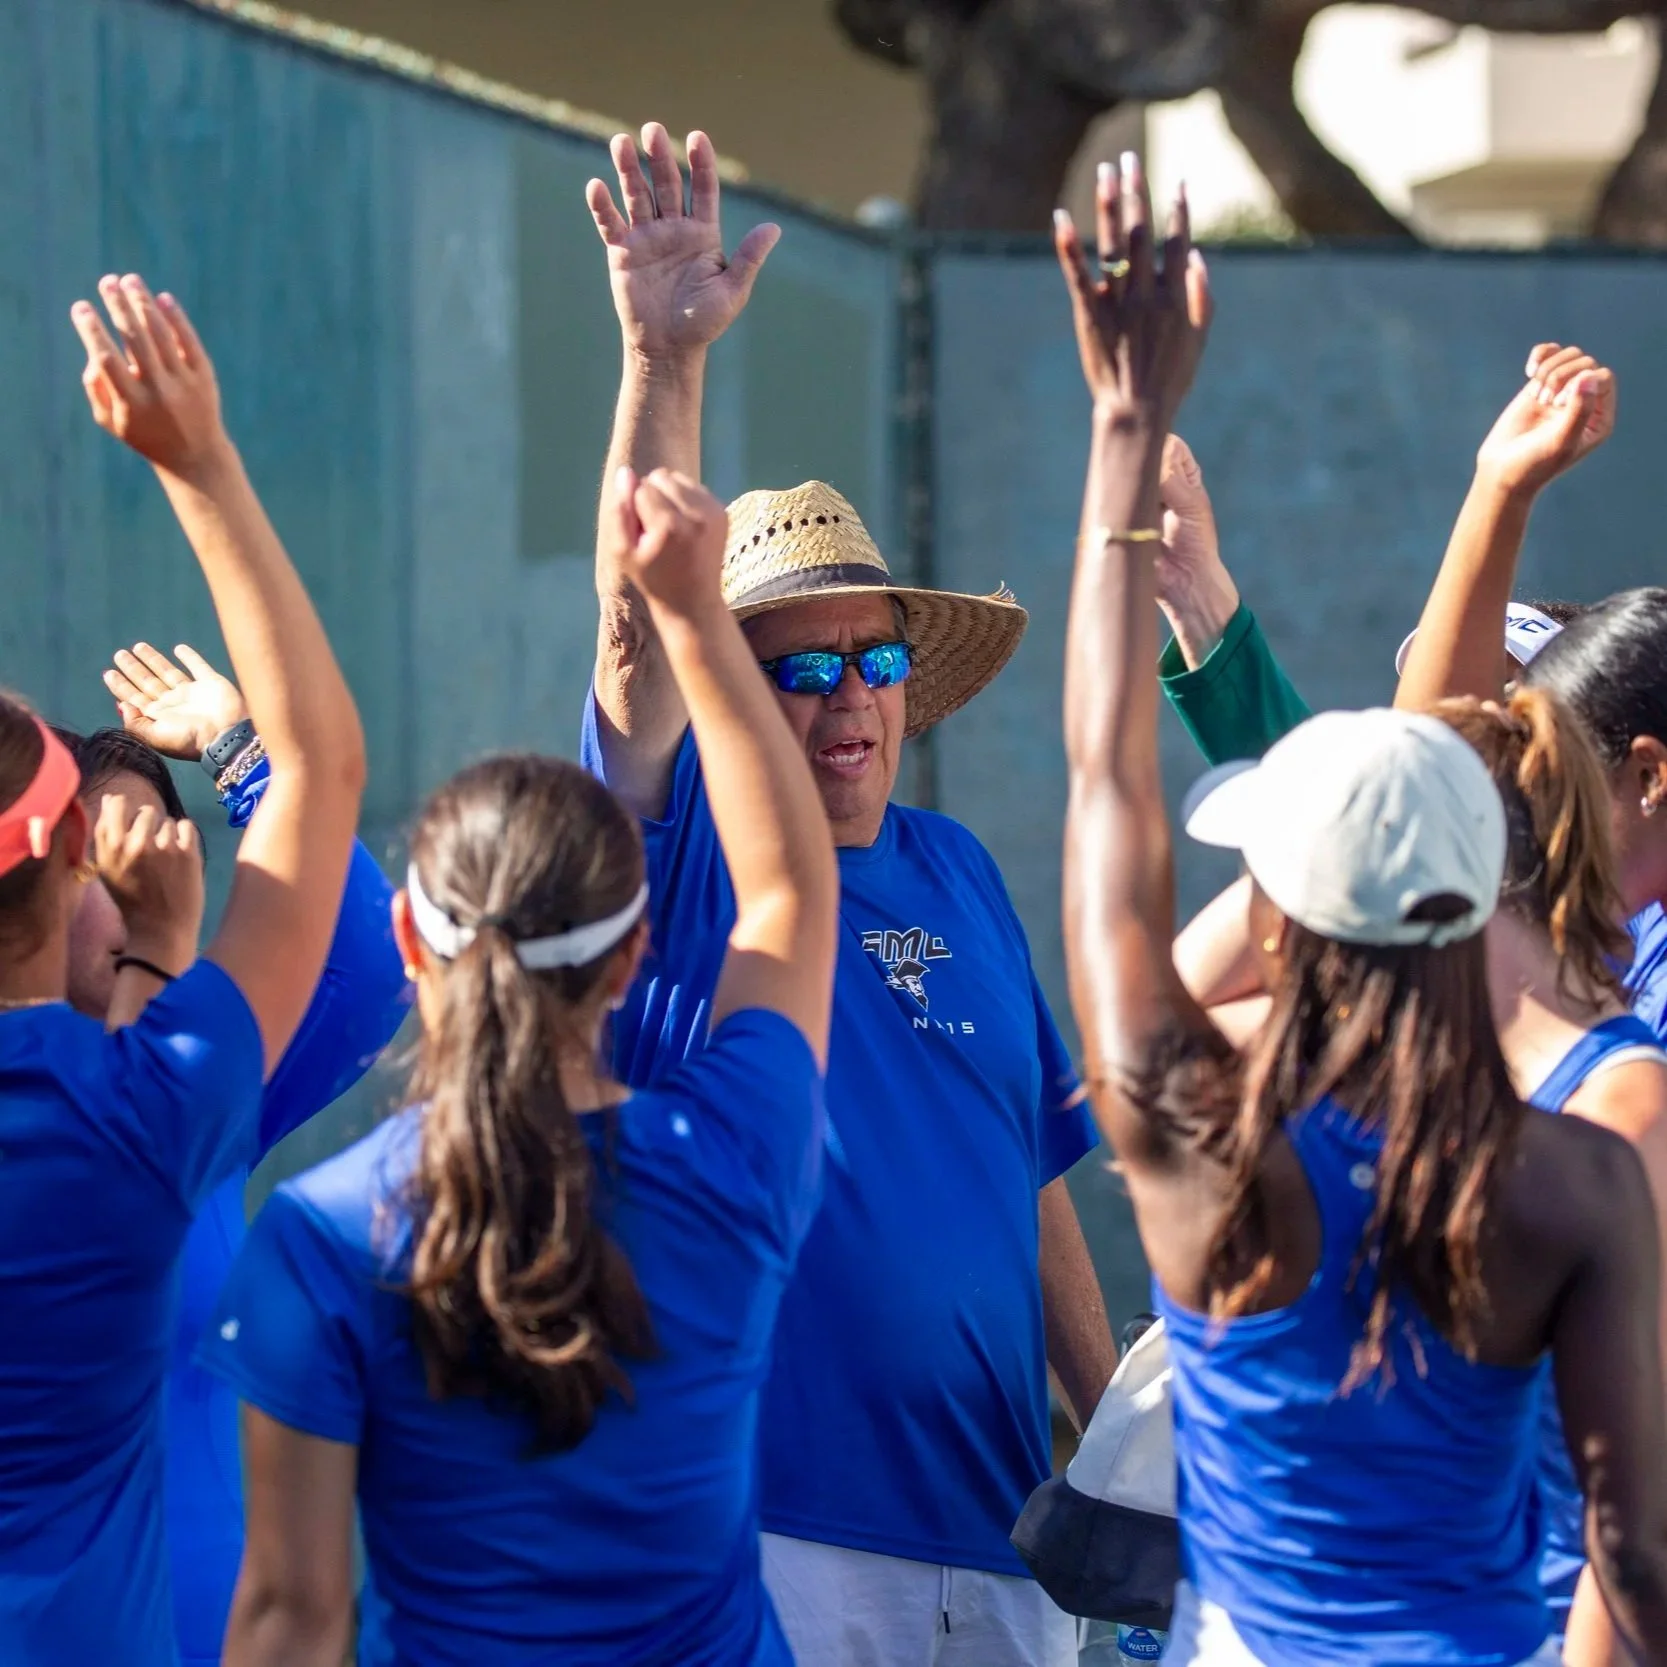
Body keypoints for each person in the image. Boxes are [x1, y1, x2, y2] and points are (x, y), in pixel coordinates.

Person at [1054, 152, 1667, 1662]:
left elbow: (1103, 799)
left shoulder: (1193, 1131)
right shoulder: (1578, 1176)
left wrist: (1122, 430)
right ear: (1486, 907)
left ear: (1275, 921)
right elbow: (1632, 1553)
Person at [581, 122, 1115, 1664]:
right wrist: (658, 356)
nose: (847, 702)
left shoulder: (958, 870)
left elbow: (1033, 1182)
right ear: (728, 693)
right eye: (796, 671)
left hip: (1011, 1535)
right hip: (770, 1531)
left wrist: (1107, 1448)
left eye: (873, 661)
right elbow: (631, 629)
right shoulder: (682, 843)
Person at [199, 468, 839, 1666]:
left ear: (407, 941)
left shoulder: (322, 1233)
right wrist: (698, 618)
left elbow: (293, 1616)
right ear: (635, 950)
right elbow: (792, 894)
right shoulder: (736, 1157)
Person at [0, 273, 365, 1665]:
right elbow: (323, 803)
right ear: (69, 864)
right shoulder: (156, 1111)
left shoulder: (161, 1093)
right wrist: (198, 464)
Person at [56, 639, 410, 1667]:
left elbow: (363, 965)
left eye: (166, 841)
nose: (145, 870)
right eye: (104, 848)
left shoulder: (197, 1084)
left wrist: (238, 751)